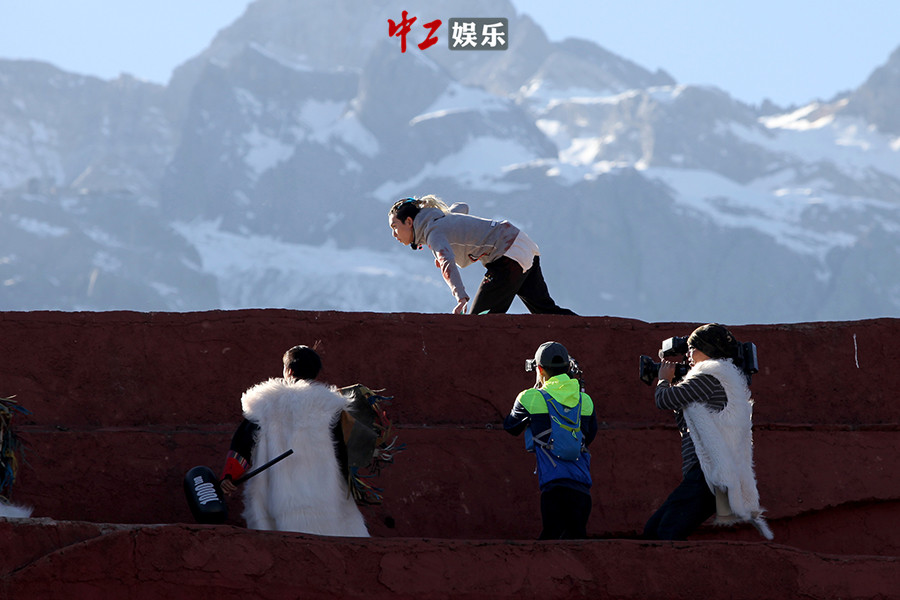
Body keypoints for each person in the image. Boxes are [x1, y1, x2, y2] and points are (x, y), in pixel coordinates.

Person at [219, 345, 369, 537]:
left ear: (288, 370)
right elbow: (344, 453)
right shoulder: (331, 406)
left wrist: (229, 478)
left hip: (279, 501)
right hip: (324, 497)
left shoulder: (265, 403)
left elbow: (243, 443)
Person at [642, 323, 772, 541]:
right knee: (657, 530)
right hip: (714, 473)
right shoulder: (723, 379)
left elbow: (664, 399)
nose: (689, 356)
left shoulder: (709, 377)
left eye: (693, 349)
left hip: (707, 472)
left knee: (663, 531)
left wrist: (664, 378)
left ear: (707, 351)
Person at [388, 195, 577, 315]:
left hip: (508, 254)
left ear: (410, 221)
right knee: (546, 312)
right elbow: (462, 206)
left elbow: (447, 263)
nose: (393, 234)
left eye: (395, 227)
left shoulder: (433, 233)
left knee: (479, 320)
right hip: (522, 244)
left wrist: (461, 297)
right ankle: (592, 331)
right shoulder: (439, 221)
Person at [504, 341, 597, 539]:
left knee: (551, 543)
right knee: (577, 543)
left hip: (553, 488)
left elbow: (511, 426)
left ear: (539, 368)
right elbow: (590, 436)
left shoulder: (530, 397)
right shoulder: (585, 400)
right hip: (582, 489)